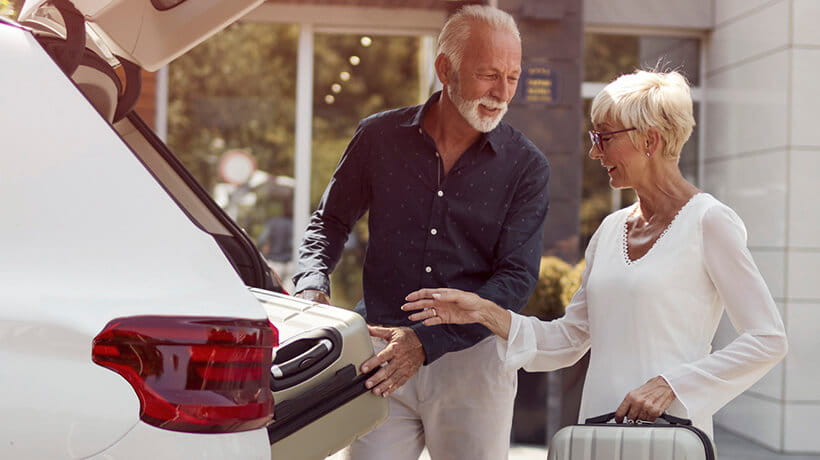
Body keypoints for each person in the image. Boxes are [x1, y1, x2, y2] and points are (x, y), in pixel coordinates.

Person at [403, 69, 788, 439]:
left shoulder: (710, 221)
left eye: (603, 138)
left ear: (649, 141)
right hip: (600, 430)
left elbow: (767, 338)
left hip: (671, 434)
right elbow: (570, 339)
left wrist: (673, 385)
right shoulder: (610, 230)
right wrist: (484, 312)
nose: (593, 152)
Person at [292, 5, 550, 459]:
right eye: (489, 74)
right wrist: (312, 285)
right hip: (380, 352)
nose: (502, 92)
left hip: (473, 365)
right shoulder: (378, 137)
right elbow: (329, 222)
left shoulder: (526, 166)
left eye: (512, 77)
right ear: (444, 68)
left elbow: (516, 279)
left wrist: (426, 342)